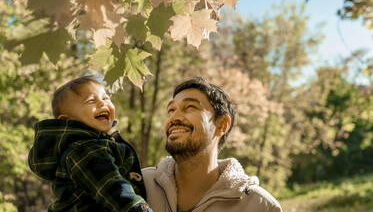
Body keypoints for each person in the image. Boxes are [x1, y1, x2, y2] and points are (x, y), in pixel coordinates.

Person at [142, 77, 283, 212]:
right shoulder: (137, 185)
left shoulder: (260, 206)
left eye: (190, 107)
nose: (174, 117)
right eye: (171, 110)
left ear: (222, 124)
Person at [28, 76, 152, 212]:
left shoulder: (91, 146)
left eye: (106, 98)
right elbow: (113, 189)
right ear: (67, 120)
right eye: (91, 100)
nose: (102, 103)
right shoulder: (86, 151)